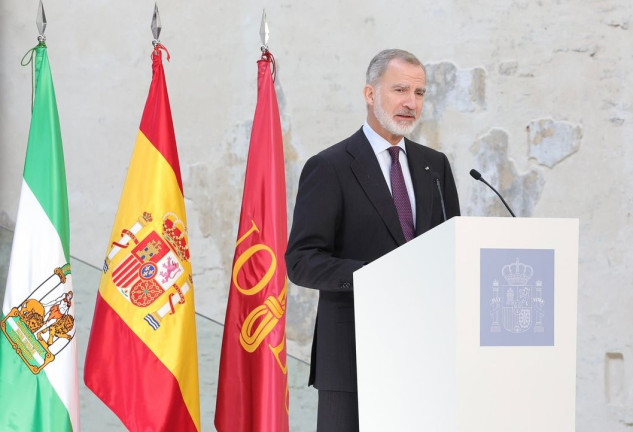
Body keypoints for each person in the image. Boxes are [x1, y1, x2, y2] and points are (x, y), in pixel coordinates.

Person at [285, 49, 461, 431]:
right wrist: (375, 277)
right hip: (352, 359)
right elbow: (301, 260)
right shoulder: (329, 167)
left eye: (419, 93)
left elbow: (451, 250)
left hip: (423, 357)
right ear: (369, 93)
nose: (410, 103)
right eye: (400, 90)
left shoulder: (435, 165)